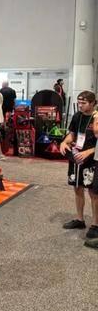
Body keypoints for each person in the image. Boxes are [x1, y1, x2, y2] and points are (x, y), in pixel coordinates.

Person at [59, 91, 98, 239]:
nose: (80, 105)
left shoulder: (96, 118)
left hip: (92, 160)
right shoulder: (77, 116)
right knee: (77, 188)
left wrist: (89, 151)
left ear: (93, 103)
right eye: (79, 102)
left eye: (84, 103)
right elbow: (72, 134)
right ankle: (80, 219)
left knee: (93, 193)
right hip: (76, 158)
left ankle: (95, 224)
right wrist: (64, 142)